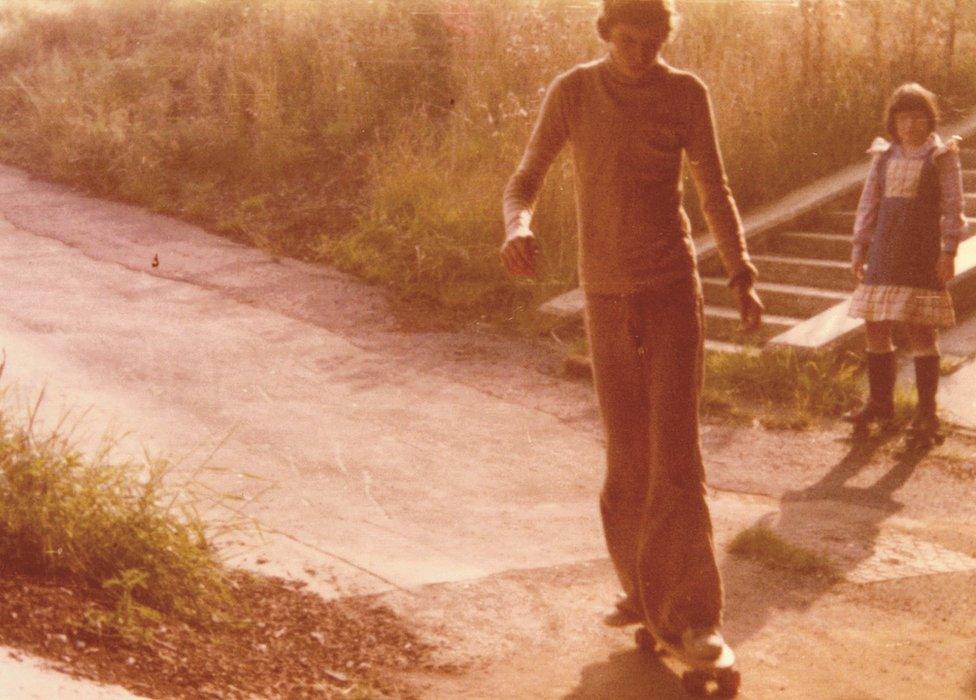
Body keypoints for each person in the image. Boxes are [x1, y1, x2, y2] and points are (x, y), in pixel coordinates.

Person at [500, 0, 763, 661]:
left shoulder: (685, 94)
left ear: (666, 36)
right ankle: (645, 597)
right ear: (606, 32)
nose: (639, 53)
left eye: (651, 40)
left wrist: (741, 273)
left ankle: (698, 618)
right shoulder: (575, 91)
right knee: (626, 465)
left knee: (676, 457)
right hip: (607, 298)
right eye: (627, 39)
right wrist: (518, 225)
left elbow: (714, 189)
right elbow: (525, 179)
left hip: (672, 291)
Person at [847, 83, 968, 442]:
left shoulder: (941, 156)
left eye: (918, 117)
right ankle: (881, 404)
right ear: (894, 122)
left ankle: (926, 415)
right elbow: (869, 203)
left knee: (919, 329)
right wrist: (859, 248)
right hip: (884, 251)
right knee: (874, 324)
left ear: (929, 119)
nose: (911, 125)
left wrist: (948, 252)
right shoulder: (884, 156)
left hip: (921, 254)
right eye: (903, 118)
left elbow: (953, 206)